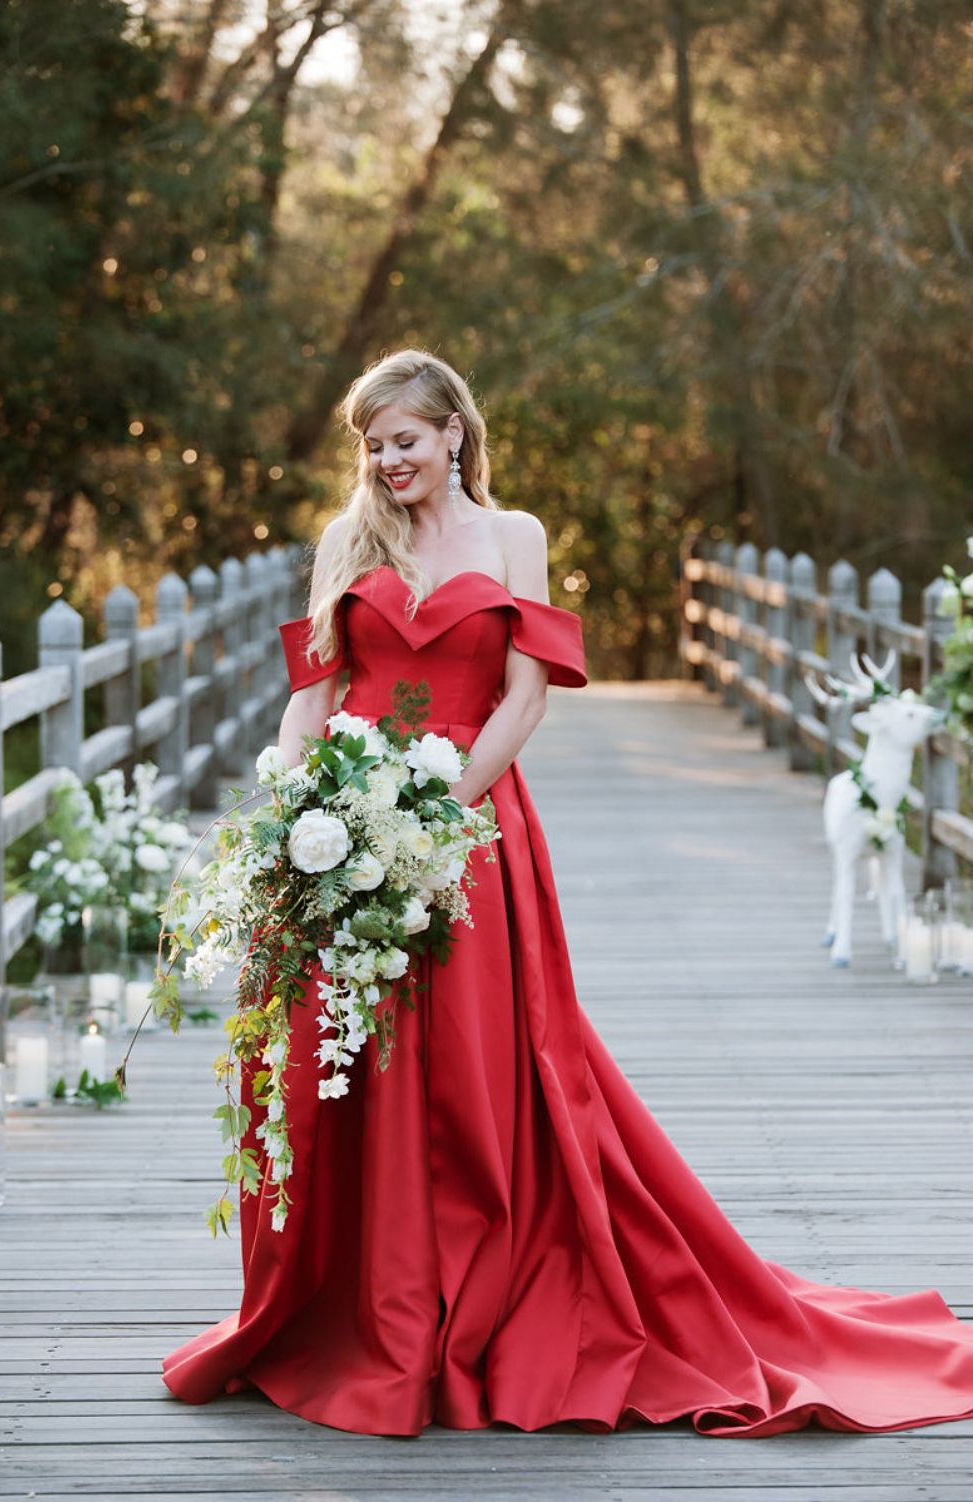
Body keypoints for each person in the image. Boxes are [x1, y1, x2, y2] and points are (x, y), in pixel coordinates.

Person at [162, 348, 973, 1438]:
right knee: (333, 1056)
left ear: (454, 432)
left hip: (473, 821)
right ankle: (359, 1299)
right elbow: (314, 695)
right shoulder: (343, 543)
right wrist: (290, 820)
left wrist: (444, 807)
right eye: (372, 444)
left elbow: (524, 694)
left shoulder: (515, 538)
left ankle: (481, 1287)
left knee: (477, 1062)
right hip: (346, 818)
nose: (388, 459)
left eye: (404, 437)